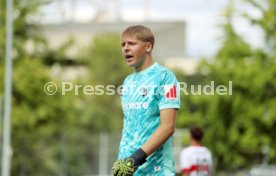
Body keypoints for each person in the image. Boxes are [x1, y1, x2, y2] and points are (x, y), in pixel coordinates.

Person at [112, 25, 180, 176]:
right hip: (127, 169)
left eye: (132, 43)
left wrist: (136, 159)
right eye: (123, 44)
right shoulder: (128, 81)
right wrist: (124, 161)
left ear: (148, 46)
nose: (125, 48)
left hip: (156, 170)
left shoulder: (166, 78)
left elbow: (168, 127)